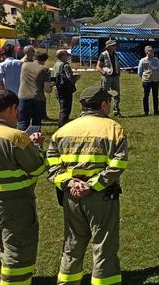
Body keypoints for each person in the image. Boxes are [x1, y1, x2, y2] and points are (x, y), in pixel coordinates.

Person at [46, 86, 127, 285]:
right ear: (103, 104)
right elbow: (118, 164)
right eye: (109, 101)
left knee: (72, 245)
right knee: (104, 246)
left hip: (71, 196)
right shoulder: (113, 129)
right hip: (102, 196)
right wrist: (92, 185)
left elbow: (52, 164)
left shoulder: (62, 130)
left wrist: (70, 182)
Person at [0, 90, 45, 285]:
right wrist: (37, 147)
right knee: (18, 255)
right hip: (14, 204)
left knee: (3, 248)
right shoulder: (16, 137)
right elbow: (38, 168)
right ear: (12, 108)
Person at [17, 52, 52, 131]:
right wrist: (51, 87)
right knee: (36, 123)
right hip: (37, 97)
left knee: (23, 122)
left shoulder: (24, 65)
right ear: (45, 60)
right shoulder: (45, 69)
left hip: (23, 96)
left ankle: (20, 140)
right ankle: (35, 141)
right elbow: (47, 89)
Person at [95, 40, 122, 117]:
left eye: (115, 45)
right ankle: (102, 111)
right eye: (113, 45)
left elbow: (117, 64)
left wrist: (119, 72)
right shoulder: (103, 55)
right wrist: (103, 73)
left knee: (117, 95)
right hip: (107, 77)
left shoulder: (116, 54)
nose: (114, 47)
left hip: (115, 77)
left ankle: (116, 111)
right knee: (104, 95)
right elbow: (98, 66)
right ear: (108, 47)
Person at [53, 49, 79, 126]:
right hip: (65, 90)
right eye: (67, 54)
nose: (68, 56)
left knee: (62, 108)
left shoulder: (56, 64)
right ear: (63, 56)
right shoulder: (66, 65)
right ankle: (62, 126)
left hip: (58, 88)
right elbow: (70, 78)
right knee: (66, 110)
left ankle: (61, 124)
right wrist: (76, 78)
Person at [138, 45, 159, 116]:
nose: (151, 52)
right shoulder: (142, 60)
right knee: (146, 96)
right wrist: (144, 77)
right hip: (146, 80)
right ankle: (146, 112)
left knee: (155, 96)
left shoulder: (156, 60)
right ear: (146, 52)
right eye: (149, 51)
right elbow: (139, 72)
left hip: (155, 80)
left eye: (152, 51)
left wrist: (156, 75)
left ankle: (156, 111)